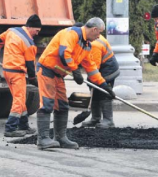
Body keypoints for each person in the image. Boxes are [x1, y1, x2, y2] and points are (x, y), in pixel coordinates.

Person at [36, 18, 116, 150]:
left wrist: (104, 86)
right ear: (94, 29)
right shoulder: (71, 34)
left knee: (62, 106)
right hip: (47, 70)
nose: (98, 37)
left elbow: (91, 67)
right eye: (98, 34)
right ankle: (42, 139)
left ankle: (60, 138)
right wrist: (75, 70)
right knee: (47, 104)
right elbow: (64, 53)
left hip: (59, 75)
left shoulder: (86, 45)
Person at [0, 14, 41, 137]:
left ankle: (24, 125)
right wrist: (33, 79)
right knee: (19, 100)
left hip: (7, 71)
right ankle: (10, 128)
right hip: (17, 73)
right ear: (30, 27)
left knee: (20, 98)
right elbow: (30, 65)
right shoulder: (29, 43)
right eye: (37, 30)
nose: (37, 33)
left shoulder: (11, 31)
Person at [74, 32, 120, 128]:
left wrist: (93, 81)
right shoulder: (89, 38)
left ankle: (109, 120)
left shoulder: (94, 45)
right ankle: (95, 119)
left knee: (104, 92)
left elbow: (94, 67)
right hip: (101, 68)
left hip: (108, 70)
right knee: (94, 90)